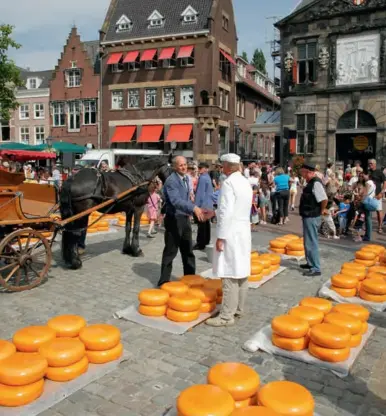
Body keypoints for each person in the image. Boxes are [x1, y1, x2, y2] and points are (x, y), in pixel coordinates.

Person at [206, 153, 252, 327]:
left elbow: (226, 211)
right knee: (241, 271)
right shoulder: (244, 182)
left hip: (231, 231)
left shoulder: (228, 183)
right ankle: (238, 308)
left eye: (222, 165)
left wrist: (221, 237)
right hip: (242, 230)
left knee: (229, 273)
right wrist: (215, 212)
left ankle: (226, 316)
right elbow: (236, 208)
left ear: (226, 166)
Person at [157, 156, 205, 287]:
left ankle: (190, 278)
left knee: (188, 250)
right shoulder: (171, 181)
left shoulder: (186, 178)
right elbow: (176, 201)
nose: (184, 167)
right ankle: (164, 281)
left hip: (184, 218)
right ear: (174, 167)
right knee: (171, 251)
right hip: (174, 219)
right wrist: (193, 207)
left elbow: (187, 197)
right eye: (180, 165)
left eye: (185, 165)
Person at [299, 163, 328, 277]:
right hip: (308, 215)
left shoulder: (316, 183)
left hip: (312, 215)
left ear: (308, 172)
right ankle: (310, 263)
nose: (302, 175)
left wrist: (321, 211)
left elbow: (324, 199)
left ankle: (316, 268)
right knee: (307, 241)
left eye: (303, 172)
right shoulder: (311, 182)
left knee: (312, 241)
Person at [194, 162, 213, 250]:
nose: (199, 169)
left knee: (201, 225)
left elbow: (200, 193)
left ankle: (200, 243)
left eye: (201, 167)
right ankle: (206, 241)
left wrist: (196, 206)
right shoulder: (208, 177)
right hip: (208, 204)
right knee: (206, 224)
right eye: (199, 167)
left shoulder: (202, 178)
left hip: (203, 204)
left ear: (205, 168)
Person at [368, 159, 385, 234]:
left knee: (378, 211)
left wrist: (382, 192)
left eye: (371, 163)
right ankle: (367, 226)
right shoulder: (368, 172)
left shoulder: (379, 172)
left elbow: (385, 182)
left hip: (377, 194)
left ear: (375, 164)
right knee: (367, 211)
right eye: (369, 163)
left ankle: (380, 227)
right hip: (369, 195)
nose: (370, 165)